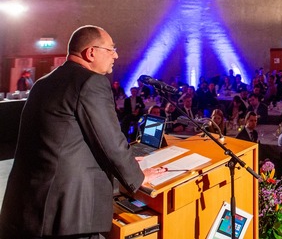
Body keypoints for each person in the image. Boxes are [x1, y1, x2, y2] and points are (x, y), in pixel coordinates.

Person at [0, 25, 163, 239]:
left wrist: (131, 160)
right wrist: (137, 176)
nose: (116, 55)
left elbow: (67, 140)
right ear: (91, 52)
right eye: (111, 49)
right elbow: (111, 142)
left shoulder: (44, 83)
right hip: (66, 215)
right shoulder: (91, 82)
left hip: (27, 206)